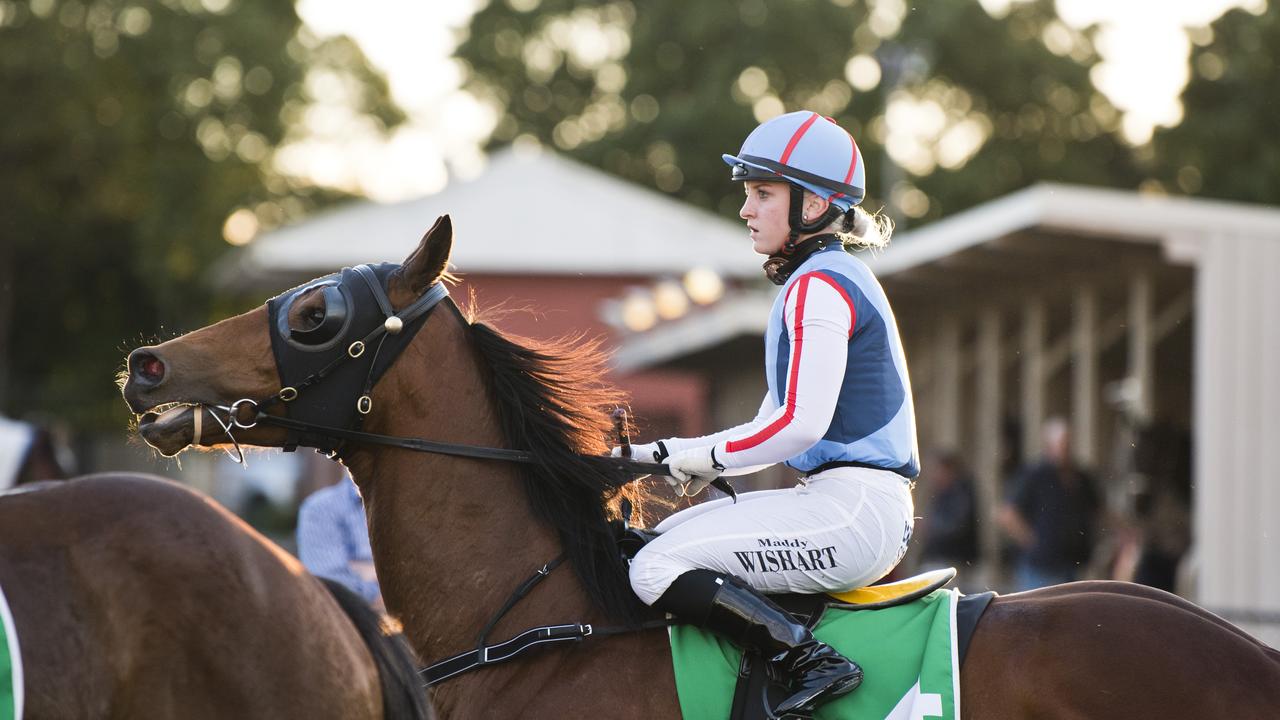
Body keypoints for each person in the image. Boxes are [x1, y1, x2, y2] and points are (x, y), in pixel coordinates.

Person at [615, 111, 917, 717]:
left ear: (812, 206)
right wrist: (658, 457)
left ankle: (809, 659)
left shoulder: (819, 286)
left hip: (854, 509)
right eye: (749, 194)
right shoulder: (816, 279)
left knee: (654, 569)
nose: (747, 210)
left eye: (763, 194)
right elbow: (767, 423)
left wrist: (689, 455)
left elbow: (797, 427)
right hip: (841, 501)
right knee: (658, 539)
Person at [998, 417, 1101, 591]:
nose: (1066, 449)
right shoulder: (1035, 474)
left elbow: (1098, 509)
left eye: (1069, 443)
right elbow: (1007, 513)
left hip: (1072, 563)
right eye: (1062, 443)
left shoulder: (1081, 476)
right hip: (1041, 566)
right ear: (1050, 445)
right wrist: (1032, 541)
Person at [296, 475, 383, 610]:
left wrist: (361, 570)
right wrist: (385, 594)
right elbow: (330, 584)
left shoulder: (412, 507)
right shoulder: (320, 508)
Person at [916, 449, 978, 573]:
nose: (932, 475)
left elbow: (958, 524)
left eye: (935, 469)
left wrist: (930, 526)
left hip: (952, 559)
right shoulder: (941, 492)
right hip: (939, 557)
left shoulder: (960, 491)